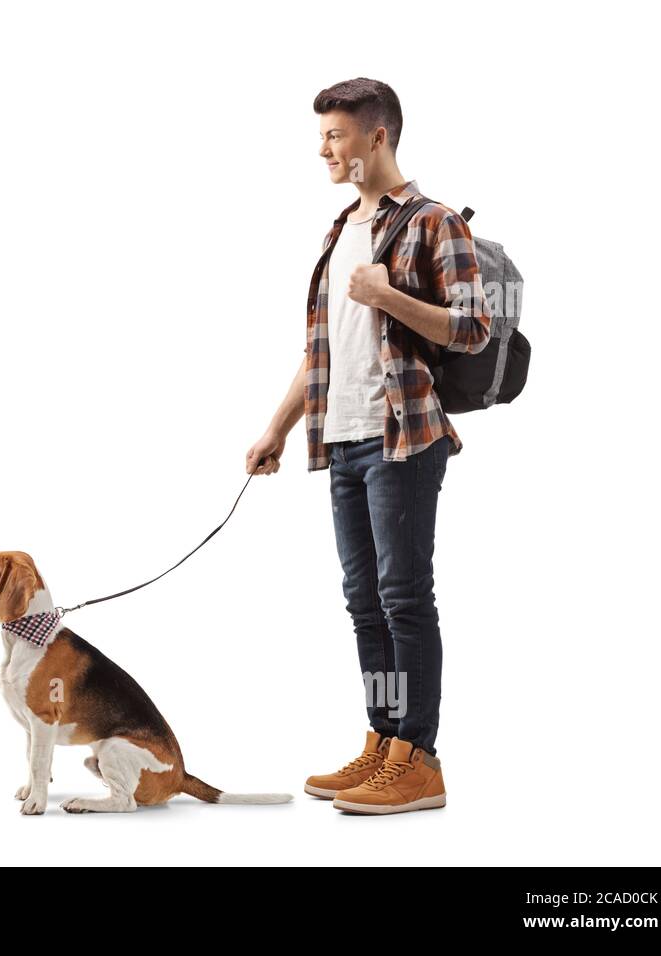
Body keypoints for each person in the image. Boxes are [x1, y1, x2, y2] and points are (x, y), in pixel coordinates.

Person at [245, 79, 491, 815]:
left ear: (377, 136)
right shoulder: (338, 229)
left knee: (404, 598)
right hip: (343, 440)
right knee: (364, 604)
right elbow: (320, 351)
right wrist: (276, 429)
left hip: (404, 439)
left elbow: (473, 327)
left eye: (337, 135)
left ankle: (420, 758)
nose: (324, 148)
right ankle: (384, 741)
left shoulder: (434, 221)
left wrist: (388, 295)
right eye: (322, 136)